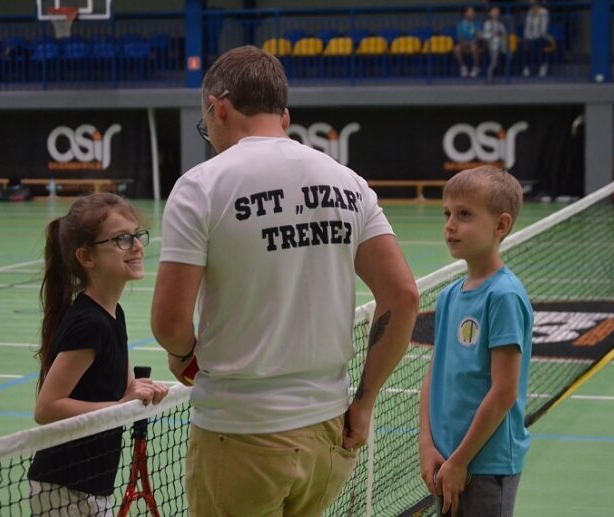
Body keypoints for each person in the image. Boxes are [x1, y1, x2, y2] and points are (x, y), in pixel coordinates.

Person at [151, 45, 418, 516]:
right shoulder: (348, 183)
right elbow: (402, 297)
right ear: (284, 116)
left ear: (219, 107)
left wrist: (183, 356)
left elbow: (170, 321)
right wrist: (365, 401)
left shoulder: (201, 187)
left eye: (206, 123)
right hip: (328, 434)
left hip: (240, 433)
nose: (209, 134)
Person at [27, 193, 169, 514]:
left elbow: (123, 392)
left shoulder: (112, 314)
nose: (136, 246)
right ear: (86, 257)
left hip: (92, 482)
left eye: (136, 235)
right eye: (121, 239)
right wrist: (119, 407)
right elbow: (47, 407)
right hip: (64, 486)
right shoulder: (89, 324)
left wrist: (137, 393)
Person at [418, 166, 533, 517]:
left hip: (484, 463)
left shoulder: (503, 296)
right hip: (447, 457)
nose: (450, 225)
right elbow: (434, 373)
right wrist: (426, 443)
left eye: (464, 214)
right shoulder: (450, 296)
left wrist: (461, 460)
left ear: (501, 225)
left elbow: (503, 392)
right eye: (447, 214)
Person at [521, 0, 551, 77]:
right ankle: (526, 67)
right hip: (531, 37)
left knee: (536, 44)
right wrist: (526, 37)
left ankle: (542, 66)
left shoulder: (544, 12)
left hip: (542, 37)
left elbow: (543, 29)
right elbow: (527, 27)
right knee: (523, 45)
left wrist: (534, 37)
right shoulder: (529, 12)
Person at [481, 6, 509, 83]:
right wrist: (494, 34)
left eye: (497, 13)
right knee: (494, 62)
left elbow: (505, 34)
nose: (496, 14)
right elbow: (485, 35)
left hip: (501, 44)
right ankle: (489, 78)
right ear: (490, 14)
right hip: (491, 44)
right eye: (494, 12)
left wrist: (501, 34)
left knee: (508, 53)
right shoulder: (487, 23)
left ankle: (504, 74)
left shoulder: (500, 24)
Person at [453, 7, 482, 78]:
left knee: (473, 47)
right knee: (456, 49)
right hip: (464, 43)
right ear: (465, 14)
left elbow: (478, 36)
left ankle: (476, 68)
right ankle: (463, 68)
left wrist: (473, 41)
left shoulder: (477, 24)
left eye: (473, 12)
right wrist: (464, 42)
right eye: (470, 12)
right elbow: (460, 36)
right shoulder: (460, 25)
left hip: (474, 43)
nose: (472, 13)